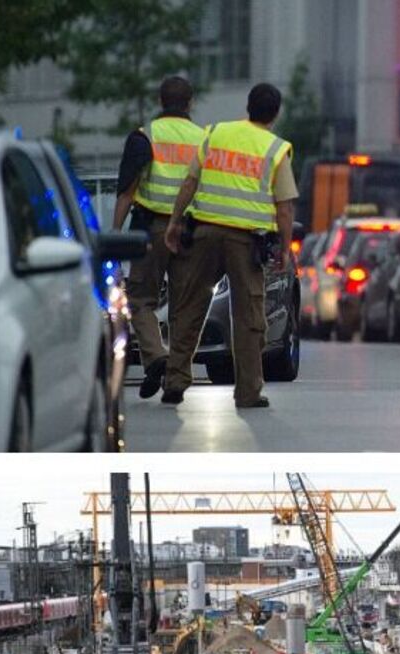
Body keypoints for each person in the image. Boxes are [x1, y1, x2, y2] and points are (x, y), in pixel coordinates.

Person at [161, 82, 298, 409]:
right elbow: (285, 207)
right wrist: (285, 248)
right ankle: (248, 392)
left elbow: (190, 181)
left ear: (248, 106)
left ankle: (175, 380)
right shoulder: (275, 149)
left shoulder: (215, 134)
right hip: (245, 242)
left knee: (189, 307)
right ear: (275, 113)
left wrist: (174, 222)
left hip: (204, 234)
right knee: (249, 316)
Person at [111, 75, 199, 399]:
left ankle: (156, 356)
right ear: (191, 103)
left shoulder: (144, 137)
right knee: (184, 306)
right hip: (192, 232)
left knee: (140, 299)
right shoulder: (204, 139)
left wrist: (115, 235)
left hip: (152, 230)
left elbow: (127, 190)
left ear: (160, 102)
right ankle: (176, 379)